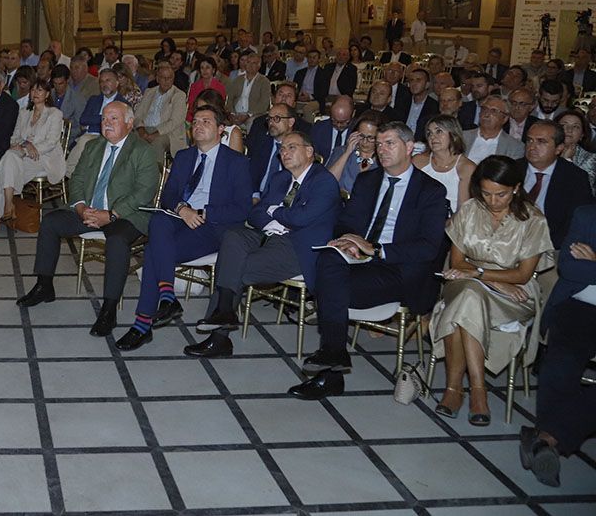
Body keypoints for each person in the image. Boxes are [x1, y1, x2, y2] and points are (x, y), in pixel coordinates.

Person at [289, 122, 449, 401]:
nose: (381, 149)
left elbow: (429, 247)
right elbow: (345, 221)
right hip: (360, 261)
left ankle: (332, 368)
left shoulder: (430, 191)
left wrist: (377, 250)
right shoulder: (368, 180)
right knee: (327, 258)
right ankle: (334, 356)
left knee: (329, 287)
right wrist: (347, 240)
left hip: (399, 269)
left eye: (390, 143)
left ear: (409, 147)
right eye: (379, 144)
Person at [185, 131, 342, 358]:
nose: (284, 153)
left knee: (233, 266)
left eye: (291, 147)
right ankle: (225, 312)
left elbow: (301, 218)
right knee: (232, 238)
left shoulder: (324, 181)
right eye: (282, 149)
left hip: (296, 247)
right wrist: (273, 221)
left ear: (309, 152)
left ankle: (220, 334)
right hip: (267, 234)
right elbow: (255, 213)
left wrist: (275, 210)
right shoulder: (280, 178)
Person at [114, 105, 252, 350]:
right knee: (158, 220)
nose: (197, 126)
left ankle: (143, 324)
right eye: (195, 122)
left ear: (221, 129)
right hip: (180, 220)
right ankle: (167, 297)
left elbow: (242, 209)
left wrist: (202, 213)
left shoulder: (236, 162)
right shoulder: (184, 156)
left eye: (206, 122)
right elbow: (169, 196)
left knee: (153, 252)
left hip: (212, 226)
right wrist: (182, 210)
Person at [17, 102, 161, 336]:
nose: (107, 124)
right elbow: (77, 180)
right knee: (51, 222)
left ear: (129, 122)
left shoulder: (142, 151)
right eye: (104, 119)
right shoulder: (93, 146)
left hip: (127, 215)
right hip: (90, 210)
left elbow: (144, 191)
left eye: (114, 119)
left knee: (116, 241)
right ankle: (44, 285)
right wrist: (82, 208)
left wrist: (111, 214)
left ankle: (109, 309)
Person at [430, 155, 553, 425]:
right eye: (486, 193)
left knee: (465, 303)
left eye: (501, 194)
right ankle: (478, 391)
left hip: (514, 294)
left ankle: (454, 390)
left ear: (516, 188)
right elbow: (458, 262)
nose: (493, 201)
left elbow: (522, 275)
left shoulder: (533, 220)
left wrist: (480, 274)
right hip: (466, 281)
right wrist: (486, 279)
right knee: (469, 297)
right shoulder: (471, 210)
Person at [520, 206, 596, 487]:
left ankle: (547, 440)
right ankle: (546, 442)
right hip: (581, 306)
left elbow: (585, 267)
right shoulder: (587, 215)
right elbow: (570, 267)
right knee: (559, 364)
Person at [0, 80, 65, 232]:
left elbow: (51, 142)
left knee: (5, 167)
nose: (35, 93)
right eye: (33, 90)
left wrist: (30, 147)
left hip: (44, 157)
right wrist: (24, 145)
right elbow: (14, 137)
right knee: (9, 158)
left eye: (40, 90)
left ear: (47, 94)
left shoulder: (54, 114)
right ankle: (8, 205)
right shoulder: (24, 112)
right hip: (22, 153)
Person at [521, 121, 595, 252]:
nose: (532, 147)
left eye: (541, 142)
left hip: (550, 248)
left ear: (559, 148)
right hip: (506, 244)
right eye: (529, 140)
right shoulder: (512, 170)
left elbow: (576, 224)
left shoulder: (575, 178)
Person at [68, 69, 127, 175]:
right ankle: (72, 174)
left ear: (117, 83)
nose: (104, 84)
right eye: (101, 81)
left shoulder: (122, 103)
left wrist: (93, 123)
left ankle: (68, 172)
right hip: (87, 134)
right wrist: (105, 119)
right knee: (83, 141)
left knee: (84, 141)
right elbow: (83, 119)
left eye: (108, 80)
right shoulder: (94, 99)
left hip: (108, 137)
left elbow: (116, 125)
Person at [412, 114, 475, 214]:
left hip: (450, 224)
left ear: (453, 134)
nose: (432, 137)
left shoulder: (466, 168)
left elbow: (462, 212)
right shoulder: (418, 162)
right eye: (429, 133)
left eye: (439, 131)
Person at [135, 61, 187, 163]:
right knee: (129, 139)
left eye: (170, 78)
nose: (166, 81)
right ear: (157, 78)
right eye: (163, 78)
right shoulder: (149, 92)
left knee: (157, 142)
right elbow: (137, 115)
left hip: (167, 133)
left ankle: (155, 174)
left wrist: (155, 134)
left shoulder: (179, 95)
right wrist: (141, 130)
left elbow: (175, 121)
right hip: (145, 129)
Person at [248, 103, 298, 200]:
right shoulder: (262, 142)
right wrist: (255, 195)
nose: (271, 123)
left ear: (290, 122)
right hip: (258, 195)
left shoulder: (299, 148)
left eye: (277, 118)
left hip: (283, 199)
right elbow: (251, 174)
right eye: (269, 119)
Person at [325, 111, 382, 195]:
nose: (365, 141)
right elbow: (327, 183)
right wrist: (347, 153)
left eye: (371, 138)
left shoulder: (383, 159)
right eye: (361, 136)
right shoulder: (340, 151)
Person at [464, 96, 524, 163]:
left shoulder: (515, 147)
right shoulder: (462, 137)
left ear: (505, 118)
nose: (486, 114)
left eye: (494, 111)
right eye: (484, 109)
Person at [226, 50, 270, 131]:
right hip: (236, 113)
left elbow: (264, 104)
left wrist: (248, 115)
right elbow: (229, 98)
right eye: (248, 62)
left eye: (254, 63)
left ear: (259, 65)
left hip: (253, 114)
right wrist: (231, 113)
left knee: (251, 123)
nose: (250, 65)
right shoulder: (238, 80)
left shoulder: (264, 81)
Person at [556, 109, 596, 195]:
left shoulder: (591, 159)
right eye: (563, 125)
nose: (569, 130)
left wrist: (566, 160)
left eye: (575, 126)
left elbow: (584, 190)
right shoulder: (545, 151)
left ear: (582, 135)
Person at [397, 67, 439, 141]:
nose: (414, 83)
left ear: (427, 85)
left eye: (418, 80)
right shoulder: (402, 103)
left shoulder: (434, 106)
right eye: (411, 80)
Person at [311, 95, 355, 161]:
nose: (338, 125)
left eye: (343, 122)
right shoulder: (319, 129)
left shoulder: (358, 130)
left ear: (353, 114)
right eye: (334, 120)